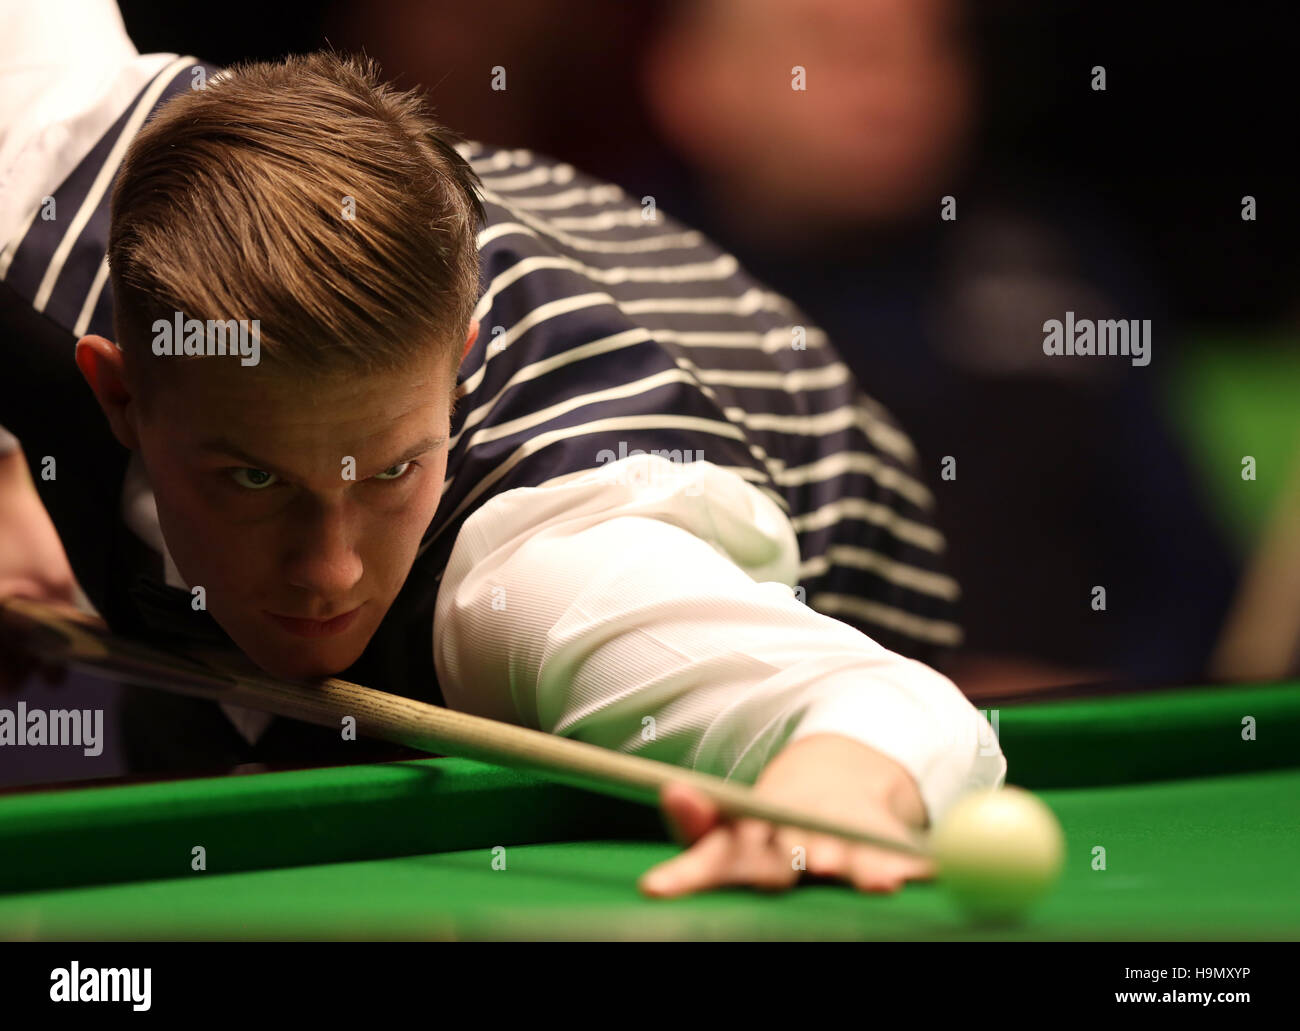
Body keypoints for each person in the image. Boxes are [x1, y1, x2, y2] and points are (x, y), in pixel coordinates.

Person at [0, 3, 1002, 898]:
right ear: (118, 391)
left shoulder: (540, 573)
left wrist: (823, 789)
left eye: (391, 469)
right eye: (252, 477)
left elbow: (890, 704)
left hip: (834, 569)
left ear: (457, 365)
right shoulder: (32, 167)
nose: (330, 571)